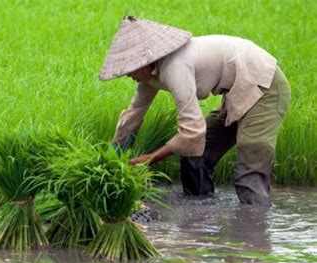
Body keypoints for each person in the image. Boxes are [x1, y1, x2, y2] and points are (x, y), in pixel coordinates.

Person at [100, 16, 291, 206]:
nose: (127, 75)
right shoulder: (149, 75)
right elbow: (134, 114)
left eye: (129, 69)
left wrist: (150, 159)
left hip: (264, 86)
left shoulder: (175, 67)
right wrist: (113, 155)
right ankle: (202, 215)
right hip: (239, 90)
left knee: (249, 173)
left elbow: (192, 131)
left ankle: (255, 227)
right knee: (198, 153)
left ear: (142, 62)